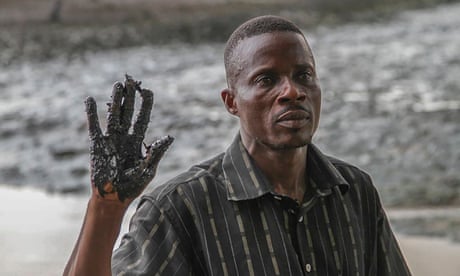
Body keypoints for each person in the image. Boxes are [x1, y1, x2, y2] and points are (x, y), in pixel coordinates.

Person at [64, 15, 411, 276]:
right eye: (267, 80)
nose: (292, 91)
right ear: (231, 102)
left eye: (304, 75)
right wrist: (106, 208)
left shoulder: (355, 191)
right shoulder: (180, 209)